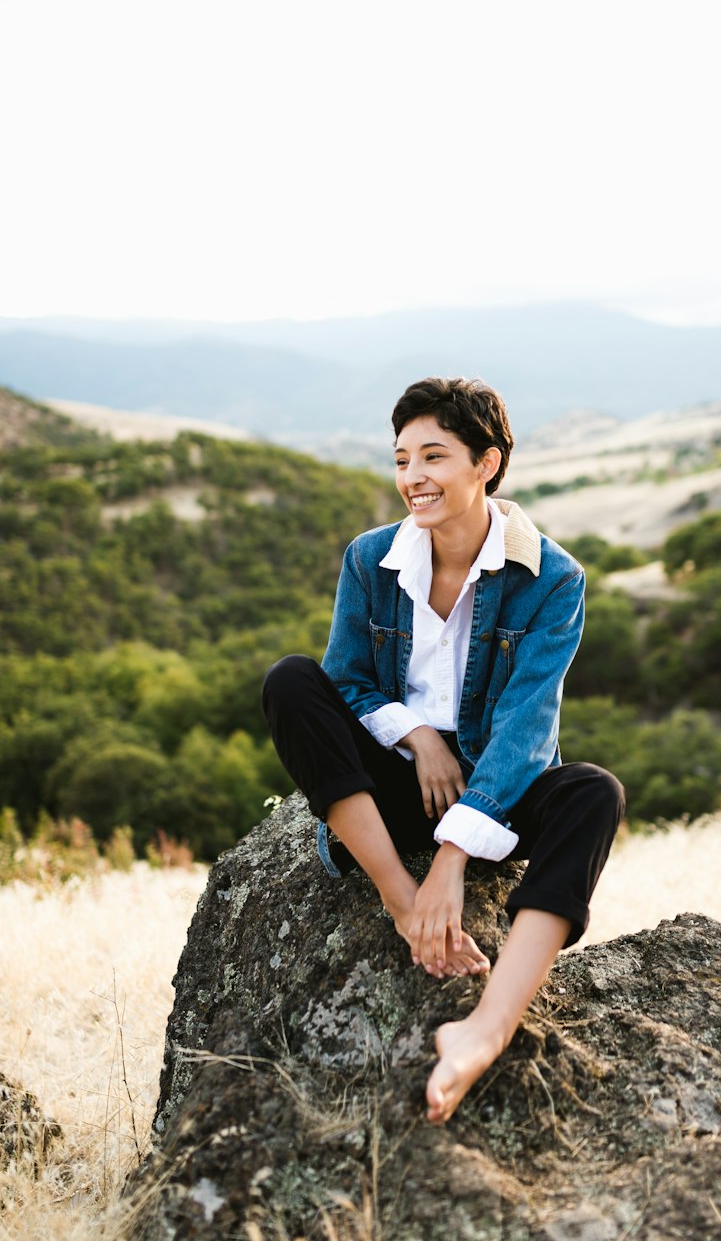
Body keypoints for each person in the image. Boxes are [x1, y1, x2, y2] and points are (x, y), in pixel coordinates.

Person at [262, 377, 624, 1123]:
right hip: (396, 787)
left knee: (594, 792)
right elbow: (348, 683)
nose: (412, 478)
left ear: (486, 463)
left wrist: (454, 858)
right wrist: (419, 737)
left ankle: (484, 1029)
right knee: (291, 682)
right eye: (401, 460)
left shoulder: (553, 579)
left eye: (434, 456)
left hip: (494, 794)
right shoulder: (370, 561)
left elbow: (528, 730)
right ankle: (399, 899)